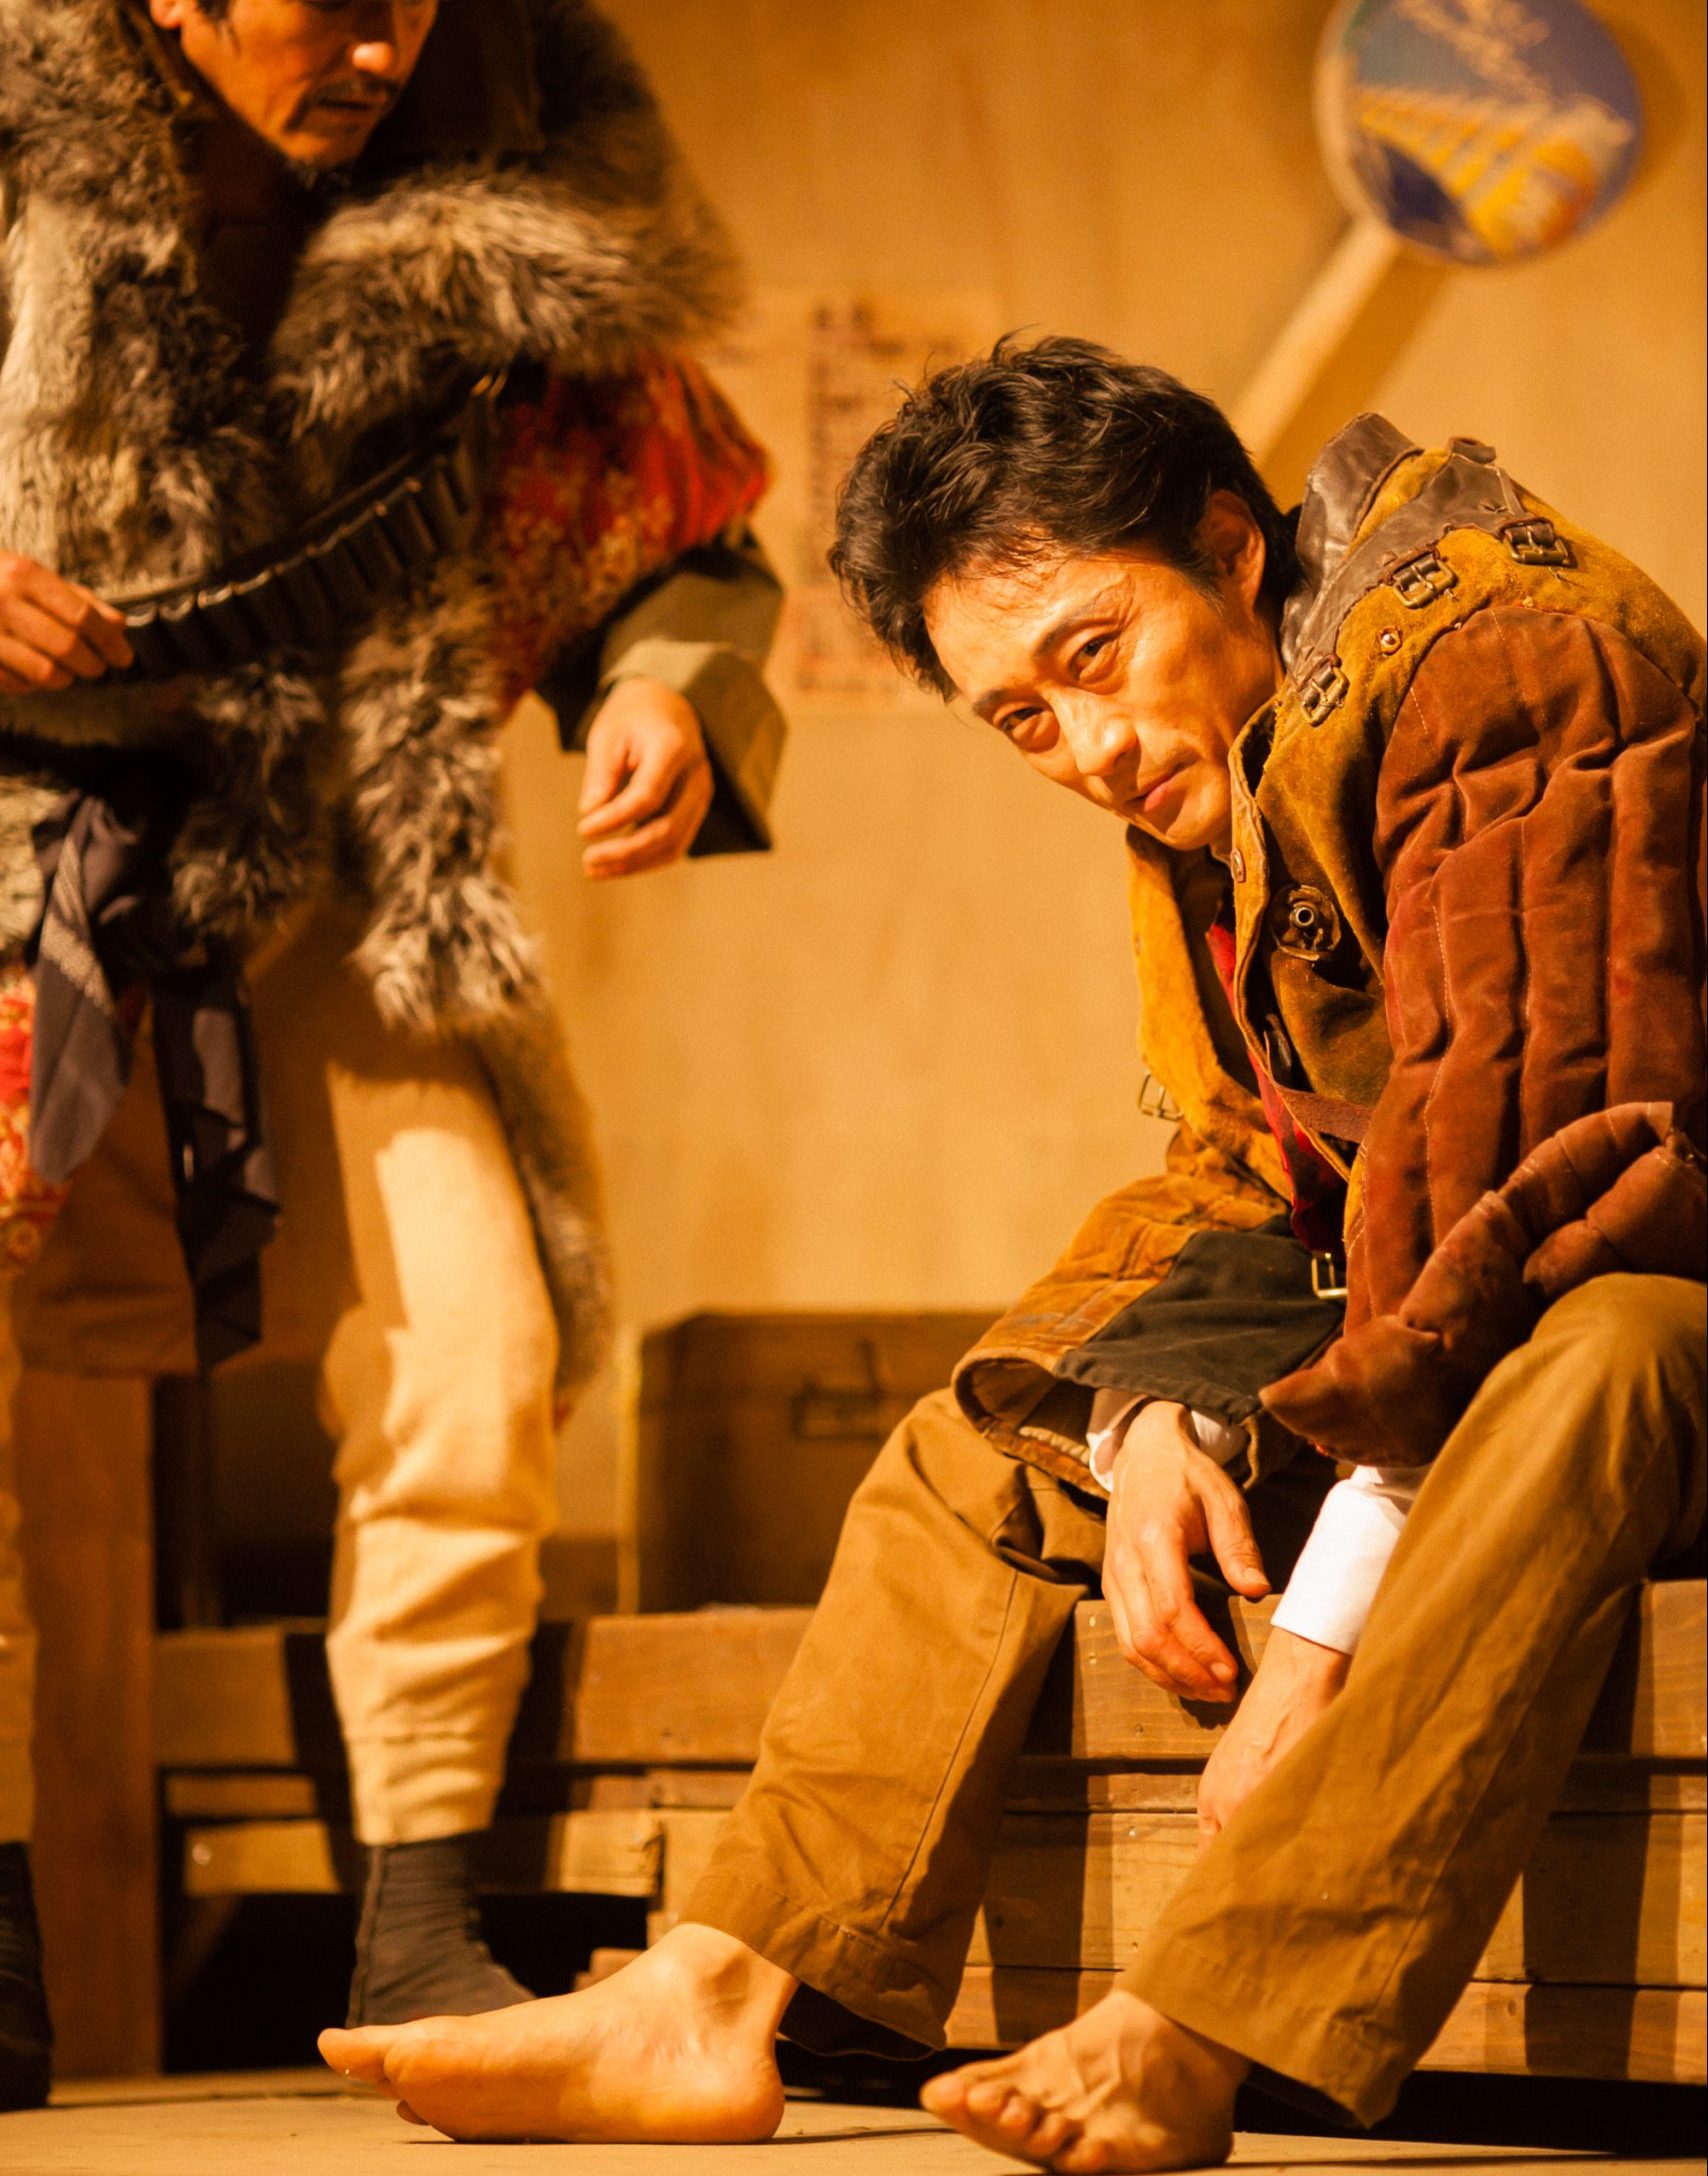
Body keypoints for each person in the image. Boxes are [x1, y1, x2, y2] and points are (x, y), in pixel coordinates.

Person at [321, 338, 1705, 2168]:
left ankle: (1202, 2024)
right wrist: (1146, 1413)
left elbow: (1539, 1168)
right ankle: (713, 1996)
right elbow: (1256, 1166)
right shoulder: (1233, 773)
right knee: (981, 1450)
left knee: (1606, 1350)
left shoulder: (1500, 657)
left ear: (1231, 551)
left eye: (1095, 655)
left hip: (1639, 1298)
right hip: (1466, 1318)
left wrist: (1322, 1632)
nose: (1090, 749)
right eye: (1024, 721)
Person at [0, 0, 786, 2106]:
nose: (371, 43)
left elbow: (681, 531)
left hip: (350, 828)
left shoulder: (518, 161)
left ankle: (422, 1907)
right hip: (19, 824)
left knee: (476, 1329)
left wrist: (668, 687)